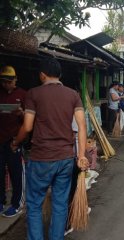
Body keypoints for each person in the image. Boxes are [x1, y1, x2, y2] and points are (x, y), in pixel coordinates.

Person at [11, 58, 89, 239]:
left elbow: (28, 126)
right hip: (65, 158)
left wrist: (15, 142)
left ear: (42, 75)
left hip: (41, 158)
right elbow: (82, 127)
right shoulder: (73, 95)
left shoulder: (34, 93)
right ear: (60, 75)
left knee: (34, 204)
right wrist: (81, 155)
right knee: (60, 204)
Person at [0, 66, 26, 217]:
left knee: (16, 172)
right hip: (0, 139)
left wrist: (22, 113)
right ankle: (1, 200)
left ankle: (17, 203)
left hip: (15, 140)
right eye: (4, 82)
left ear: (15, 79)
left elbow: (29, 121)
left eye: (10, 81)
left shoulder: (23, 94)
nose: (7, 84)